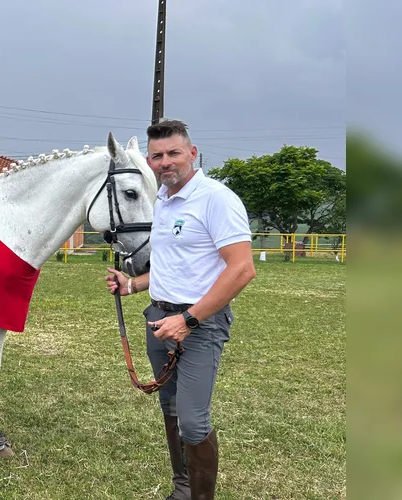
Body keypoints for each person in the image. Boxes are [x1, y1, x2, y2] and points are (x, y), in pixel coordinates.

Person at [105, 119, 256, 500]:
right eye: (156, 156)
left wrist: (189, 319)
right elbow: (173, 268)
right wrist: (133, 285)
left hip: (198, 325)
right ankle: (183, 490)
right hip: (159, 319)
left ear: (193, 153)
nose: (165, 161)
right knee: (170, 410)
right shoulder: (163, 200)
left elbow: (242, 269)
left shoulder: (216, 199)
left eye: (173, 153)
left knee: (192, 419)